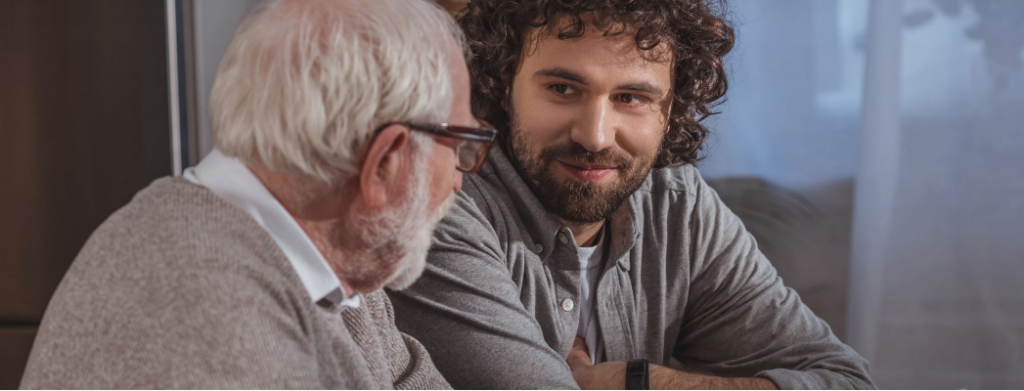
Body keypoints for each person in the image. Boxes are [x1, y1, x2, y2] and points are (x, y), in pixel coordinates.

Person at [387, 0, 876, 389]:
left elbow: (846, 381)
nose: (595, 136)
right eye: (562, 88)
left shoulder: (678, 204)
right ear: (503, 85)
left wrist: (638, 382)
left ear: (669, 111)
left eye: (631, 98)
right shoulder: (443, 202)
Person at [19, 0, 496, 388]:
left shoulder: (341, 264)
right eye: (457, 147)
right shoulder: (208, 317)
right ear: (385, 162)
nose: (459, 178)